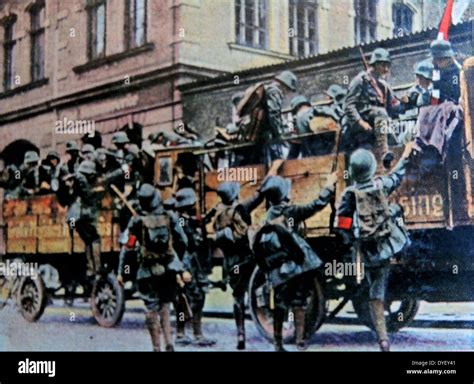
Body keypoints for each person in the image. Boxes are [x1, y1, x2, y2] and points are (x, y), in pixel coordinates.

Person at [335, 143, 414, 351]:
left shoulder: (349, 194)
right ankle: (383, 339)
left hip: (366, 250)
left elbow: (342, 224)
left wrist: (352, 241)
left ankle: (383, 339)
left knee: (374, 292)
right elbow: (397, 176)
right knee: (379, 284)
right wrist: (405, 154)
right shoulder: (380, 184)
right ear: (371, 168)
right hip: (387, 245)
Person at [254, 172, 338, 351]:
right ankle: (300, 342)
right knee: (299, 302)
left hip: (278, 270)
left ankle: (278, 344)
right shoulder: (290, 212)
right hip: (297, 267)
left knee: (279, 304)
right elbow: (316, 205)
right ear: (284, 194)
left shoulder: (266, 217)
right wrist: (329, 186)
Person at [117, 184, 188, 352]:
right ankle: (169, 343)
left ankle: (156, 347)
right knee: (165, 305)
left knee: (151, 309)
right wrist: (177, 263)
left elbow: (128, 248)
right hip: (168, 269)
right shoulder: (170, 216)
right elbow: (183, 241)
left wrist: (122, 272)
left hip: (146, 272)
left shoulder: (136, 221)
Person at [208, 182, 264, 349]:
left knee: (237, 297)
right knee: (258, 289)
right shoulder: (240, 209)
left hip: (231, 263)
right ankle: (268, 322)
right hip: (246, 258)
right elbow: (258, 198)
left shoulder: (218, 212)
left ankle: (241, 334)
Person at [342, 48, 404, 162]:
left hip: (379, 124)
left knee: (395, 139)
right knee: (380, 112)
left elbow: (393, 107)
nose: (386, 69)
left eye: (387, 66)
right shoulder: (360, 81)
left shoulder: (384, 85)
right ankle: (384, 152)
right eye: (382, 65)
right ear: (374, 65)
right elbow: (348, 105)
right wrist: (360, 122)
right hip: (360, 125)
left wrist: (407, 102)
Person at [174, 188, 216, 347]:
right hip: (186, 263)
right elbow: (186, 239)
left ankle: (196, 333)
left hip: (194, 263)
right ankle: (181, 333)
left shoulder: (185, 219)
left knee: (198, 297)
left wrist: (204, 219)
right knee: (185, 298)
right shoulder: (180, 221)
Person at [429, 39, 461, 104]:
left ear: (448, 59)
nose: (435, 62)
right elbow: (436, 92)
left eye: (439, 59)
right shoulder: (437, 72)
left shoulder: (456, 73)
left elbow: (456, 94)